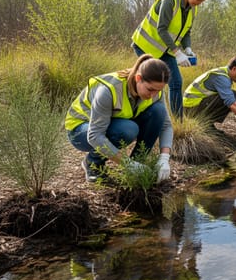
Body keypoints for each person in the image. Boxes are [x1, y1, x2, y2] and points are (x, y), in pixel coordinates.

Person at [65, 54, 174, 184]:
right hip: (80, 130)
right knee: (127, 130)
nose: (153, 95)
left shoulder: (155, 91)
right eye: (150, 90)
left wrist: (164, 158)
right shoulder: (108, 90)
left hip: (111, 124)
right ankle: (93, 163)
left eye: (158, 90)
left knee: (159, 111)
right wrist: (127, 164)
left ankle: (138, 164)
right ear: (138, 78)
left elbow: (166, 125)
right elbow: (94, 136)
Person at [132, 0, 211, 117]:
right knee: (149, 81)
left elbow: (186, 32)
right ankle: (138, 114)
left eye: (203, 1)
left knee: (176, 82)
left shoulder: (192, 9)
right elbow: (161, 29)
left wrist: (187, 48)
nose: (199, 3)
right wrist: (177, 52)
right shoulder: (170, 0)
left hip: (165, 50)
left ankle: (177, 120)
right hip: (145, 46)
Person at [182, 55, 236, 134]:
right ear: (234, 69)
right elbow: (232, 104)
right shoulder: (222, 78)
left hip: (193, 106)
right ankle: (205, 125)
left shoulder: (223, 72)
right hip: (191, 108)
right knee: (233, 95)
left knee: (232, 95)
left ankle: (208, 125)